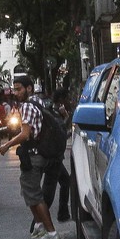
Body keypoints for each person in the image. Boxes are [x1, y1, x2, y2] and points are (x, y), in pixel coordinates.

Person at [0, 75, 60, 239]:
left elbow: (25, 134)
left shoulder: (27, 106)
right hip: (37, 155)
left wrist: (7, 146)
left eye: (19, 89)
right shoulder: (37, 103)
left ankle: (51, 232)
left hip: (33, 156)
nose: (16, 93)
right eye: (15, 89)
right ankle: (41, 226)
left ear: (29, 88)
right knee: (29, 193)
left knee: (34, 195)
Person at [41, 87, 71, 222]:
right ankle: (38, 224)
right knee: (47, 194)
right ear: (61, 100)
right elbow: (60, 132)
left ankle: (63, 213)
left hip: (55, 157)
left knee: (65, 181)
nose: (69, 101)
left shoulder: (53, 111)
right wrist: (67, 118)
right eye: (67, 98)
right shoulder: (54, 112)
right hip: (53, 158)